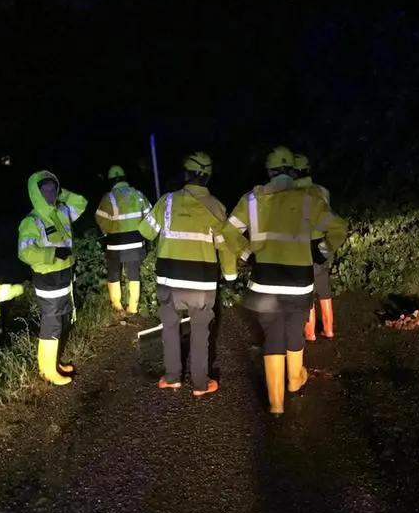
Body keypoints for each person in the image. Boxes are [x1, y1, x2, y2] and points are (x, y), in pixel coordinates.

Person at [222, 146, 347, 415]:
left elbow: (226, 232)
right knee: (294, 331)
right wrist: (322, 252)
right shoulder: (307, 200)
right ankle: (293, 381)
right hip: (299, 282)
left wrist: (247, 255)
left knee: (272, 337)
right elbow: (338, 227)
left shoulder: (252, 200)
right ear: (291, 171)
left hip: (264, 281)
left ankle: (275, 404)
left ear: (268, 171)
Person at [138, 152, 237, 397]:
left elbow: (146, 231)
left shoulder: (167, 201)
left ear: (186, 174)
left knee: (170, 325)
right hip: (201, 282)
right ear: (208, 178)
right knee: (201, 328)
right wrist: (231, 275)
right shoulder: (217, 207)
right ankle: (201, 384)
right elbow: (226, 244)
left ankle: (172, 377)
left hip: (168, 279)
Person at [17, 170, 88, 386]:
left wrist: (62, 193)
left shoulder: (62, 210)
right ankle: (47, 371)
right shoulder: (31, 220)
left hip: (64, 274)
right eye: (45, 190)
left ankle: (54, 363)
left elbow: (81, 203)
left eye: (52, 189)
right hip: (47, 278)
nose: (50, 194)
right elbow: (25, 252)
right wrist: (52, 254)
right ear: (36, 193)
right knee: (52, 323)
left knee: (61, 320)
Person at [94, 165, 151, 314]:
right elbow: (149, 215)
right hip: (136, 240)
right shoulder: (138, 195)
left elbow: (100, 218)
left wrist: (107, 231)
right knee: (133, 272)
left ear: (110, 181)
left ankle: (117, 305)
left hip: (115, 242)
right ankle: (133, 307)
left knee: (114, 273)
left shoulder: (109, 197)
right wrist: (144, 233)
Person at [293, 153, 336, 341]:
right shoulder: (322, 191)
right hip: (322, 243)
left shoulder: (291, 195)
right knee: (324, 289)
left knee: (306, 290)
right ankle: (329, 330)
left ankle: (310, 334)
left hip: (302, 245)